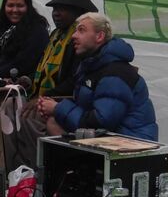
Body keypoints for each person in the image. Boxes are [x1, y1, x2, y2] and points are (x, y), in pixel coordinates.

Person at [5, 0, 97, 171]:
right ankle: (15, 170)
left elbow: (75, 81)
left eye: (63, 8)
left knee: (27, 118)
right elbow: (44, 68)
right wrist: (28, 80)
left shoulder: (78, 41)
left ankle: (38, 172)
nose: (56, 12)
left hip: (65, 103)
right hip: (47, 98)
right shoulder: (56, 35)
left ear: (78, 12)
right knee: (7, 109)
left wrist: (44, 97)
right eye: (55, 8)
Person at [37, 12, 158, 141]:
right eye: (75, 31)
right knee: (53, 122)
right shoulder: (92, 66)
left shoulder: (115, 73)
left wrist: (57, 108)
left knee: (53, 122)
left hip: (132, 142)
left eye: (81, 30)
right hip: (112, 139)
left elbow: (102, 122)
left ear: (99, 36)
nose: (73, 36)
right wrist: (53, 106)